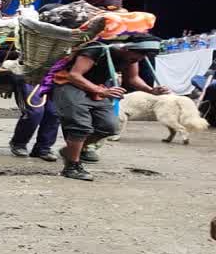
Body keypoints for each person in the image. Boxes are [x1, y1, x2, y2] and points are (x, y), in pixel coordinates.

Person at [53, 34, 168, 181]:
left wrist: (151, 90)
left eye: (144, 55)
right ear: (125, 48)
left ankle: (70, 151)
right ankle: (72, 166)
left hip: (99, 88)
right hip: (71, 85)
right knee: (80, 125)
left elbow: (132, 78)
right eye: (139, 54)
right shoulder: (96, 50)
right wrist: (101, 91)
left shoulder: (132, 57)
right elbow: (75, 75)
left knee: (109, 126)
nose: (140, 58)